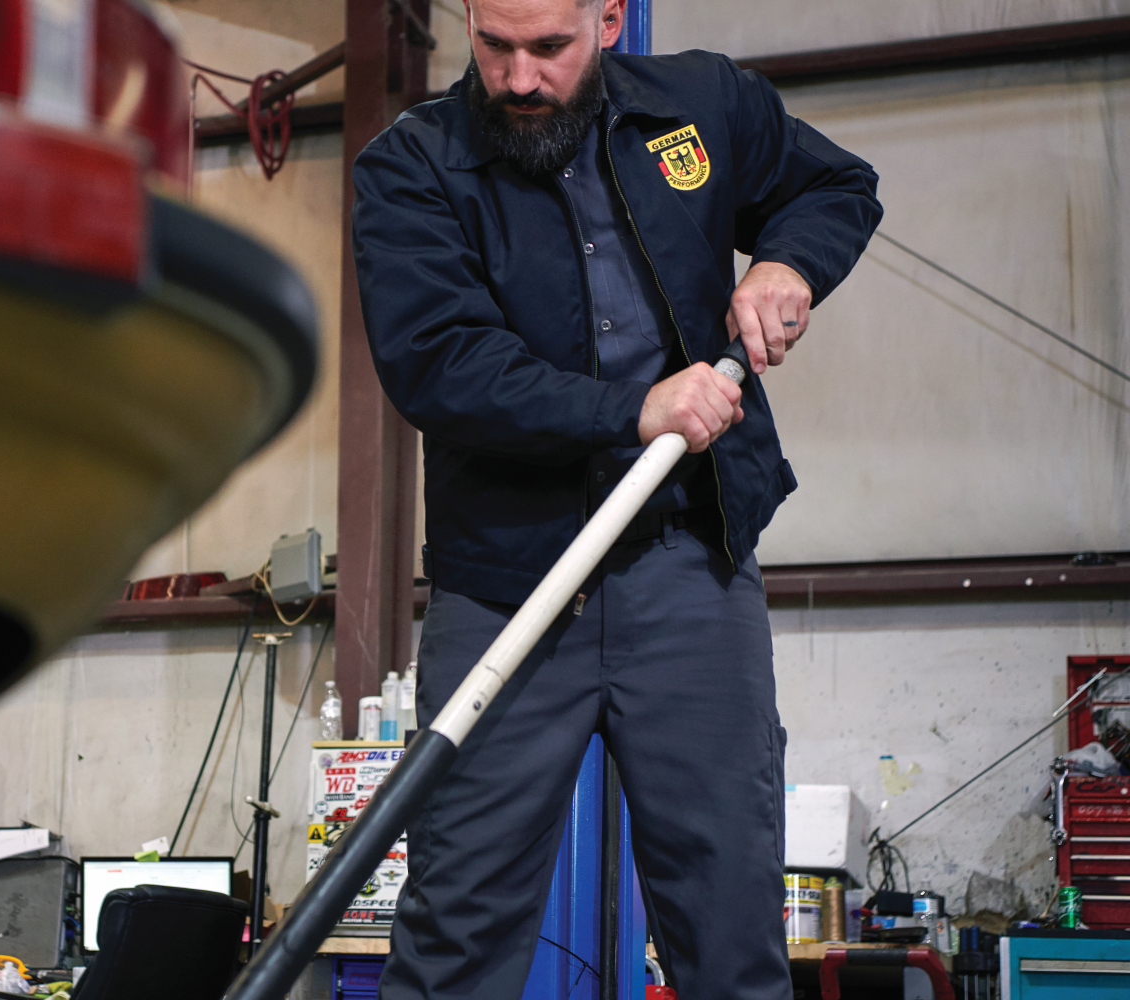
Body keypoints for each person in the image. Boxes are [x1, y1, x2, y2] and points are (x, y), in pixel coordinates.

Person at [351, 0, 881, 997]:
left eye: (547, 48)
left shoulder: (699, 105)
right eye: (494, 45)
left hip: (685, 571)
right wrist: (627, 408)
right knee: (456, 930)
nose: (516, 78)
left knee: (727, 920)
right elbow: (439, 365)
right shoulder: (409, 167)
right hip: (505, 587)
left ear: (605, 16)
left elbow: (834, 184)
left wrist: (783, 260)